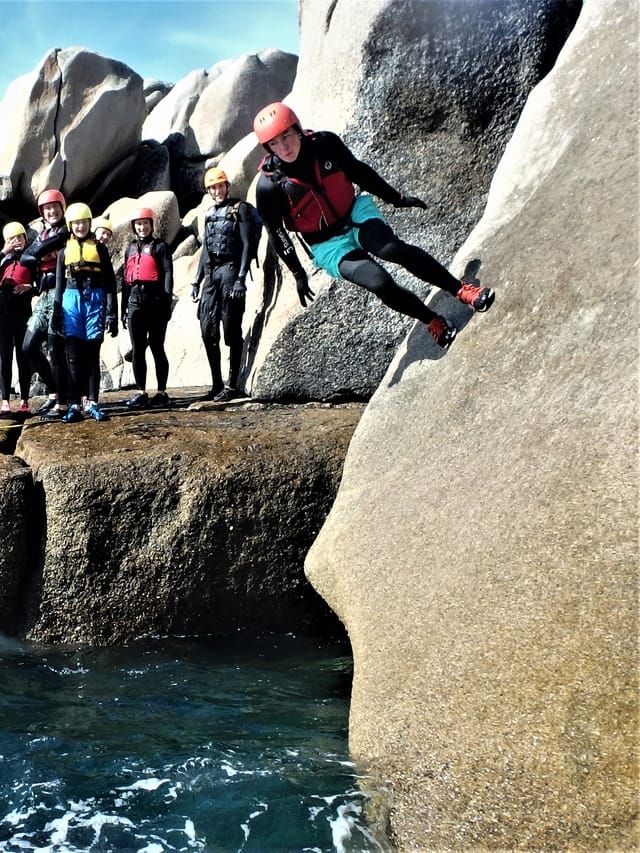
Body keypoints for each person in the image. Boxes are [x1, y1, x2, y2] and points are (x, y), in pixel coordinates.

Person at [252, 102, 495, 349]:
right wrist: (297, 273)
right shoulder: (269, 187)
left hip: (355, 214)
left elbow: (359, 172)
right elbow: (276, 233)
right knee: (379, 282)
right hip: (328, 245)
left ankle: (462, 290)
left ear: (298, 129)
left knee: (392, 249)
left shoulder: (325, 144)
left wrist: (396, 199)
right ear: (267, 147)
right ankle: (432, 320)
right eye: (274, 143)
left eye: (287, 136)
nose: (283, 146)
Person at [52, 203, 118, 423]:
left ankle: (93, 403)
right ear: (71, 225)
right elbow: (59, 285)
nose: (80, 226)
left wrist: (112, 313)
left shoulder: (100, 250)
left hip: (95, 301)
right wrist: (56, 312)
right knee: (73, 357)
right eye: (76, 223)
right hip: (71, 303)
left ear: (90, 223)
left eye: (84, 222)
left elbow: (110, 283)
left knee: (92, 355)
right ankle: (74, 405)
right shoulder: (63, 253)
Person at [191, 166, 251, 402]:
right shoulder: (208, 214)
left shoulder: (240, 209)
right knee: (207, 329)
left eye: (220, 186)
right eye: (212, 188)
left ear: (227, 186)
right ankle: (216, 383)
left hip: (230, 271)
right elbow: (205, 248)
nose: (217, 191)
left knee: (231, 328)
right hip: (211, 274)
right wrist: (197, 281)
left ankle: (233, 383)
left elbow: (246, 244)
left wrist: (241, 278)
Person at [20, 188, 70, 418]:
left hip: (62, 292)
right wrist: (42, 255)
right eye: (47, 209)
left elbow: (34, 254)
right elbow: (24, 258)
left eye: (54, 208)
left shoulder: (64, 233)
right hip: (43, 294)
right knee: (29, 346)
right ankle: (53, 392)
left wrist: (38, 255)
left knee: (55, 350)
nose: (51, 212)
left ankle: (62, 401)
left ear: (62, 209)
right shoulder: (42, 234)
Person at [120, 207, 173, 408]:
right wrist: (124, 308)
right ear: (134, 226)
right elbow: (126, 282)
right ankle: (141, 392)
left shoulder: (160, 247)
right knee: (138, 349)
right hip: (135, 301)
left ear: (152, 225)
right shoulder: (130, 249)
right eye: (139, 224)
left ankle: (161, 392)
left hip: (156, 301)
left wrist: (167, 301)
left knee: (157, 346)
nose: (142, 227)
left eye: (146, 223)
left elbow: (168, 273)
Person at [0, 223, 37, 413]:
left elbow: (41, 284)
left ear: (25, 238)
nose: (16, 241)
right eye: (12, 239)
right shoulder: (2, 261)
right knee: (4, 357)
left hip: (23, 314)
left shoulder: (30, 259)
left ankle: (24, 401)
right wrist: (2, 252)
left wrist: (30, 287)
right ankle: (5, 401)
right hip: (4, 316)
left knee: (23, 356)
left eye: (20, 237)